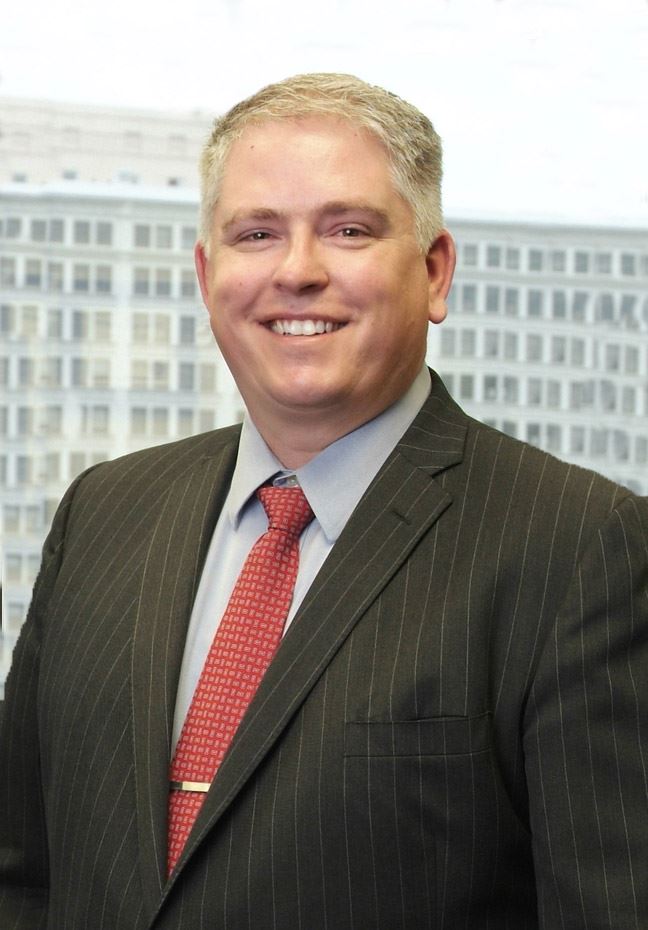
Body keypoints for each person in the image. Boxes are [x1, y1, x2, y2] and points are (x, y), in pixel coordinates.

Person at [1, 73, 647, 930]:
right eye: (257, 233)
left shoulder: (581, 545)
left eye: (347, 230)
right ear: (207, 275)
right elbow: (22, 875)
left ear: (434, 271)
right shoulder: (104, 513)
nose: (297, 272)